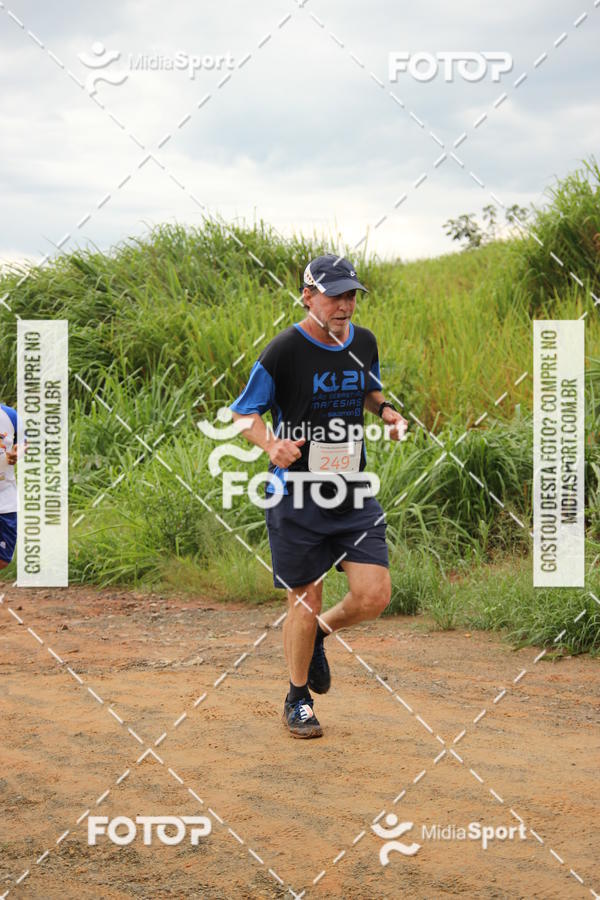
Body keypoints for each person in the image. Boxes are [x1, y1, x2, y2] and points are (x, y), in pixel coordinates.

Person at [229, 254, 408, 738]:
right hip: (298, 495)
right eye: (334, 295)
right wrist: (272, 444)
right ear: (308, 296)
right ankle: (297, 697)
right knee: (304, 599)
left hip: (352, 490)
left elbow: (367, 389)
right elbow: (243, 414)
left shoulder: (363, 341)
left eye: (351, 295)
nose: (345, 305)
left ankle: (320, 636)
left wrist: (386, 410)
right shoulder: (284, 350)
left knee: (374, 595)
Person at [0, 403, 25, 570]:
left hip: (5, 494)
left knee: (3, 560)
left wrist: (18, 452)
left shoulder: (9, 415)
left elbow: (25, 442)